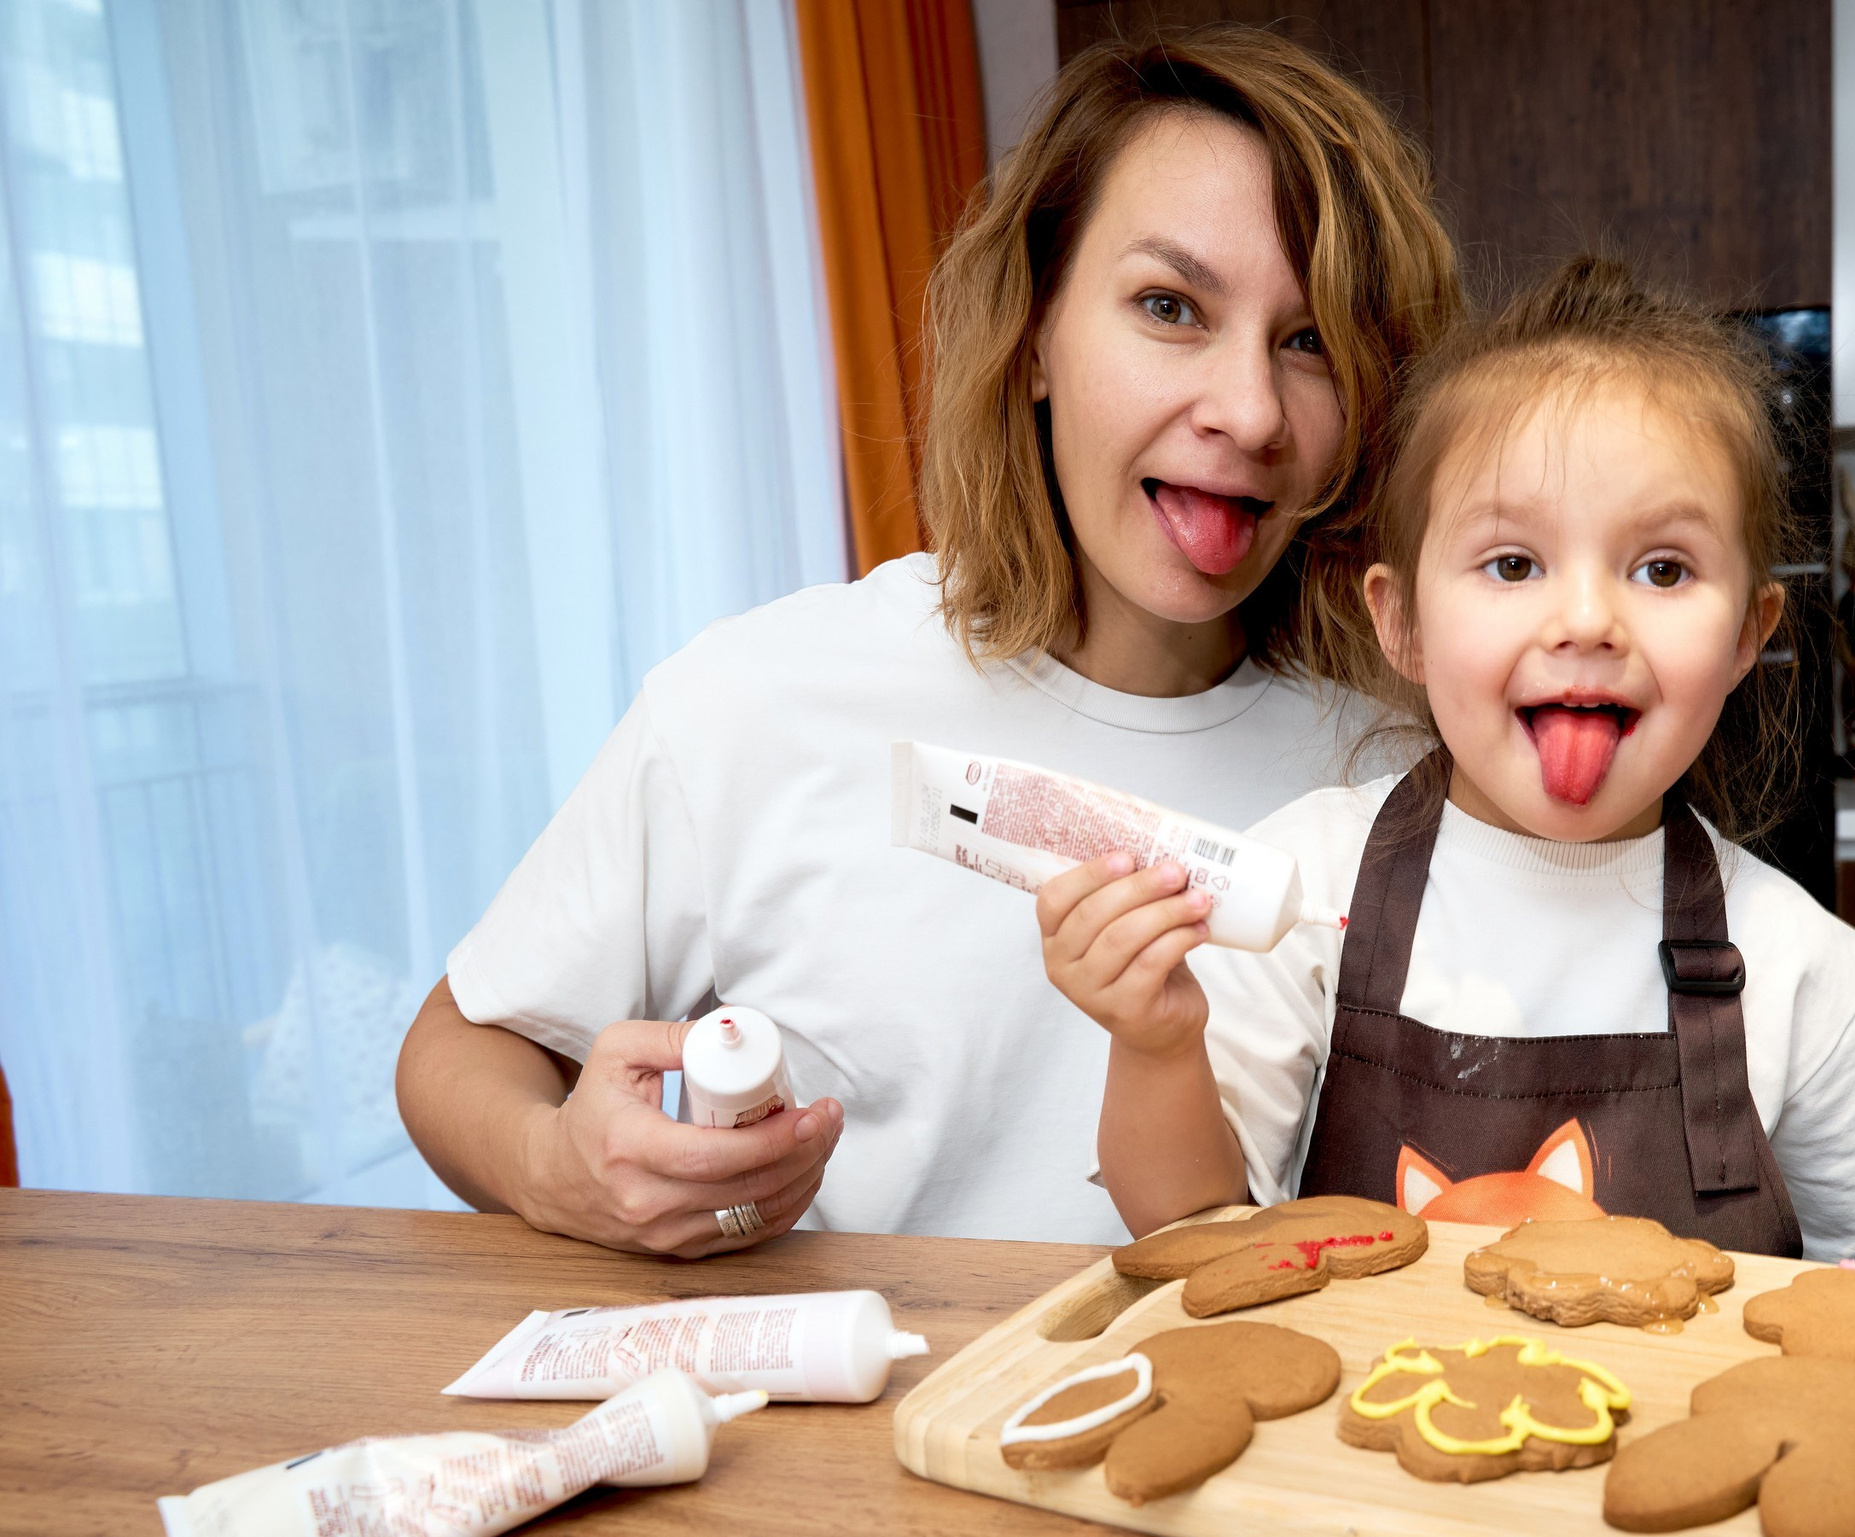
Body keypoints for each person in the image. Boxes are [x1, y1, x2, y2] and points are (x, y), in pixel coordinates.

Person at [393, 29, 1462, 1256]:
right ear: (1037, 333)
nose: (1251, 411)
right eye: (1169, 308)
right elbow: (455, 1043)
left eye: (1310, 338)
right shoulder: (762, 699)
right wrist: (557, 1167)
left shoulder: (1398, 771)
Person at [1039, 258, 1855, 1262]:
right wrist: (1152, 1044)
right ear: (1401, 621)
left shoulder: (1801, 966)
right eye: (1513, 564)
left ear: (1746, 634)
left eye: (1661, 569)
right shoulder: (1307, 886)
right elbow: (1188, 1231)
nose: (1586, 620)